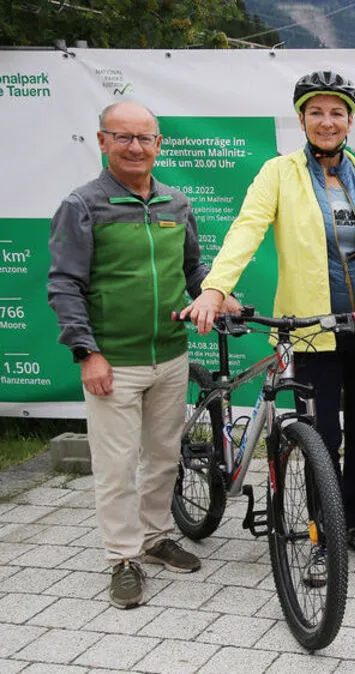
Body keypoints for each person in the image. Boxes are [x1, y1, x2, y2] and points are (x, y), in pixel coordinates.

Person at [182, 71, 355, 577]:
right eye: (316, 112)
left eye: (337, 112)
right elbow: (246, 230)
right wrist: (215, 289)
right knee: (324, 437)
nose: (327, 121)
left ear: (351, 119)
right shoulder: (278, 173)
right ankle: (321, 534)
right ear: (302, 118)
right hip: (310, 329)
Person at [47, 101, 239, 609]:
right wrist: (87, 353)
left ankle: (154, 538)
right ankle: (122, 558)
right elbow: (65, 285)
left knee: (161, 458)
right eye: (123, 137)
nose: (135, 147)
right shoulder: (82, 205)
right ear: (102, 141)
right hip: (114, 360)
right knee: (115, 467)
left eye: (144, 138)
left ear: (159, 145)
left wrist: (217, 294)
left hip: (172, 355)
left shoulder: (177, 203)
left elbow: (193, 271)